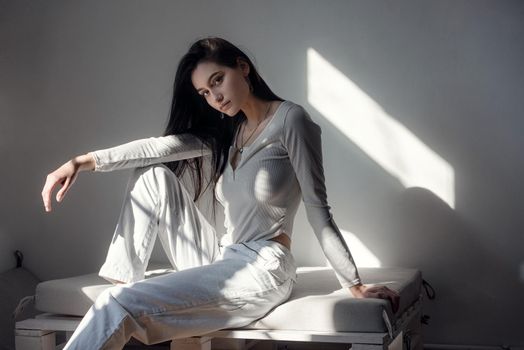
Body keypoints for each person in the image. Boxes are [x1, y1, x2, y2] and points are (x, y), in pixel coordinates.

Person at [41, 37, 399, 349]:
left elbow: (318, 207)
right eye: (205, 93)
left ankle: (123, 301)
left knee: (117, 304)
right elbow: (157, 148)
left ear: (242, 68)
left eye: (218, 80)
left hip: (262, 266)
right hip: (220, 255)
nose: (215, 97)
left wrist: (354, 285)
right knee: (152, 175)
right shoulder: (230, 132)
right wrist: (81, 162)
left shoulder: (291, 120)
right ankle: (123, 279)